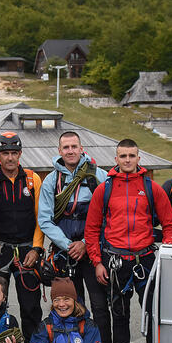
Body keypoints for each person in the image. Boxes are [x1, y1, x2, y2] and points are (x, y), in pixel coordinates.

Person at [84, 138, 172, 343]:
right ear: (116, 159)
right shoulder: (104, 189)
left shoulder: (151, 188)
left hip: (145, 259)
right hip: (114, 262)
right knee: (120, 318)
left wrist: (166, 252)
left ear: (139, 158)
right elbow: (91, 230)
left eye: (132, 156)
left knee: (152, 315)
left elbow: (170, 224)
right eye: (122, 156)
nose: (127, 160)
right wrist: (97, 262)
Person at [0, 131, 45, 343]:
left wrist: (37, 249)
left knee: (31, 307)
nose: (10, 158)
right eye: (5, 153)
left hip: (28, 251)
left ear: (20, 154)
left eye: (14, 153)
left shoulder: (32, 179)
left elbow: (41, 218)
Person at [37, 131, 108, 306]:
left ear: (81, 149)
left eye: (74, 147)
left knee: (100, 305)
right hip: (64, 254)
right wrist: (68, 246)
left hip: (94, 252)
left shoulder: (100, 177)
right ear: (59, 151)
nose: (70, 151)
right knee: (70, 305)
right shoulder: (51, 181)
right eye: (66, 147)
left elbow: (108, 217)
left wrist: (85, 243)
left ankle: (100, 335)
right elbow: (45, 219)